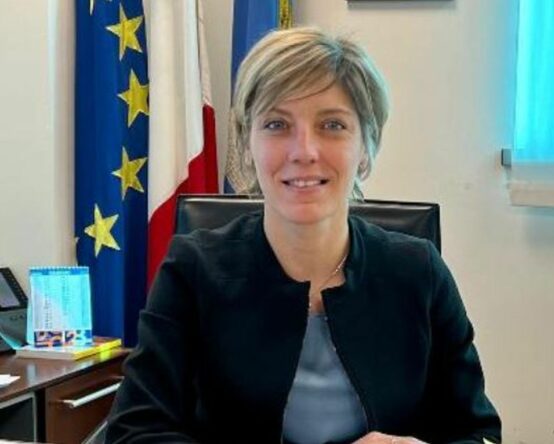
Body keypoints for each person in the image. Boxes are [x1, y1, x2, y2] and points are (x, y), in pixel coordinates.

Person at [106, 27, 501, 444]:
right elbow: (135, 432)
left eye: (332, 124)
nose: (304, 151)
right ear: (247, 144)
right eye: (277, 124)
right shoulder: (193, 270)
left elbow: (479, 432)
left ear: (366, 146)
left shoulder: (418, 271)